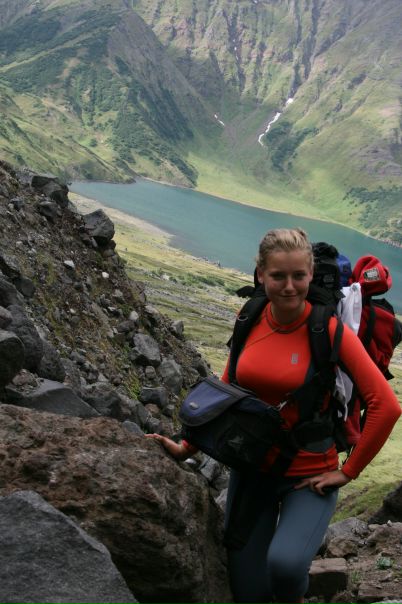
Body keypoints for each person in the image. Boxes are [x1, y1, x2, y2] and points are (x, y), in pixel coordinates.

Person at [146, 228, 401, 604]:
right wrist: (188, 446)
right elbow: (228, 388)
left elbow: (386, 405)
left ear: (310, 274)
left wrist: (348, 472)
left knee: (285, 566)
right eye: (278, 276)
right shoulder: (249, 317)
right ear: (261, 274)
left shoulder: (328, 330)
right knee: (249, 591)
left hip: (310, 476)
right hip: (252, 468)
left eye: (298, 275)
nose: (289, 286)